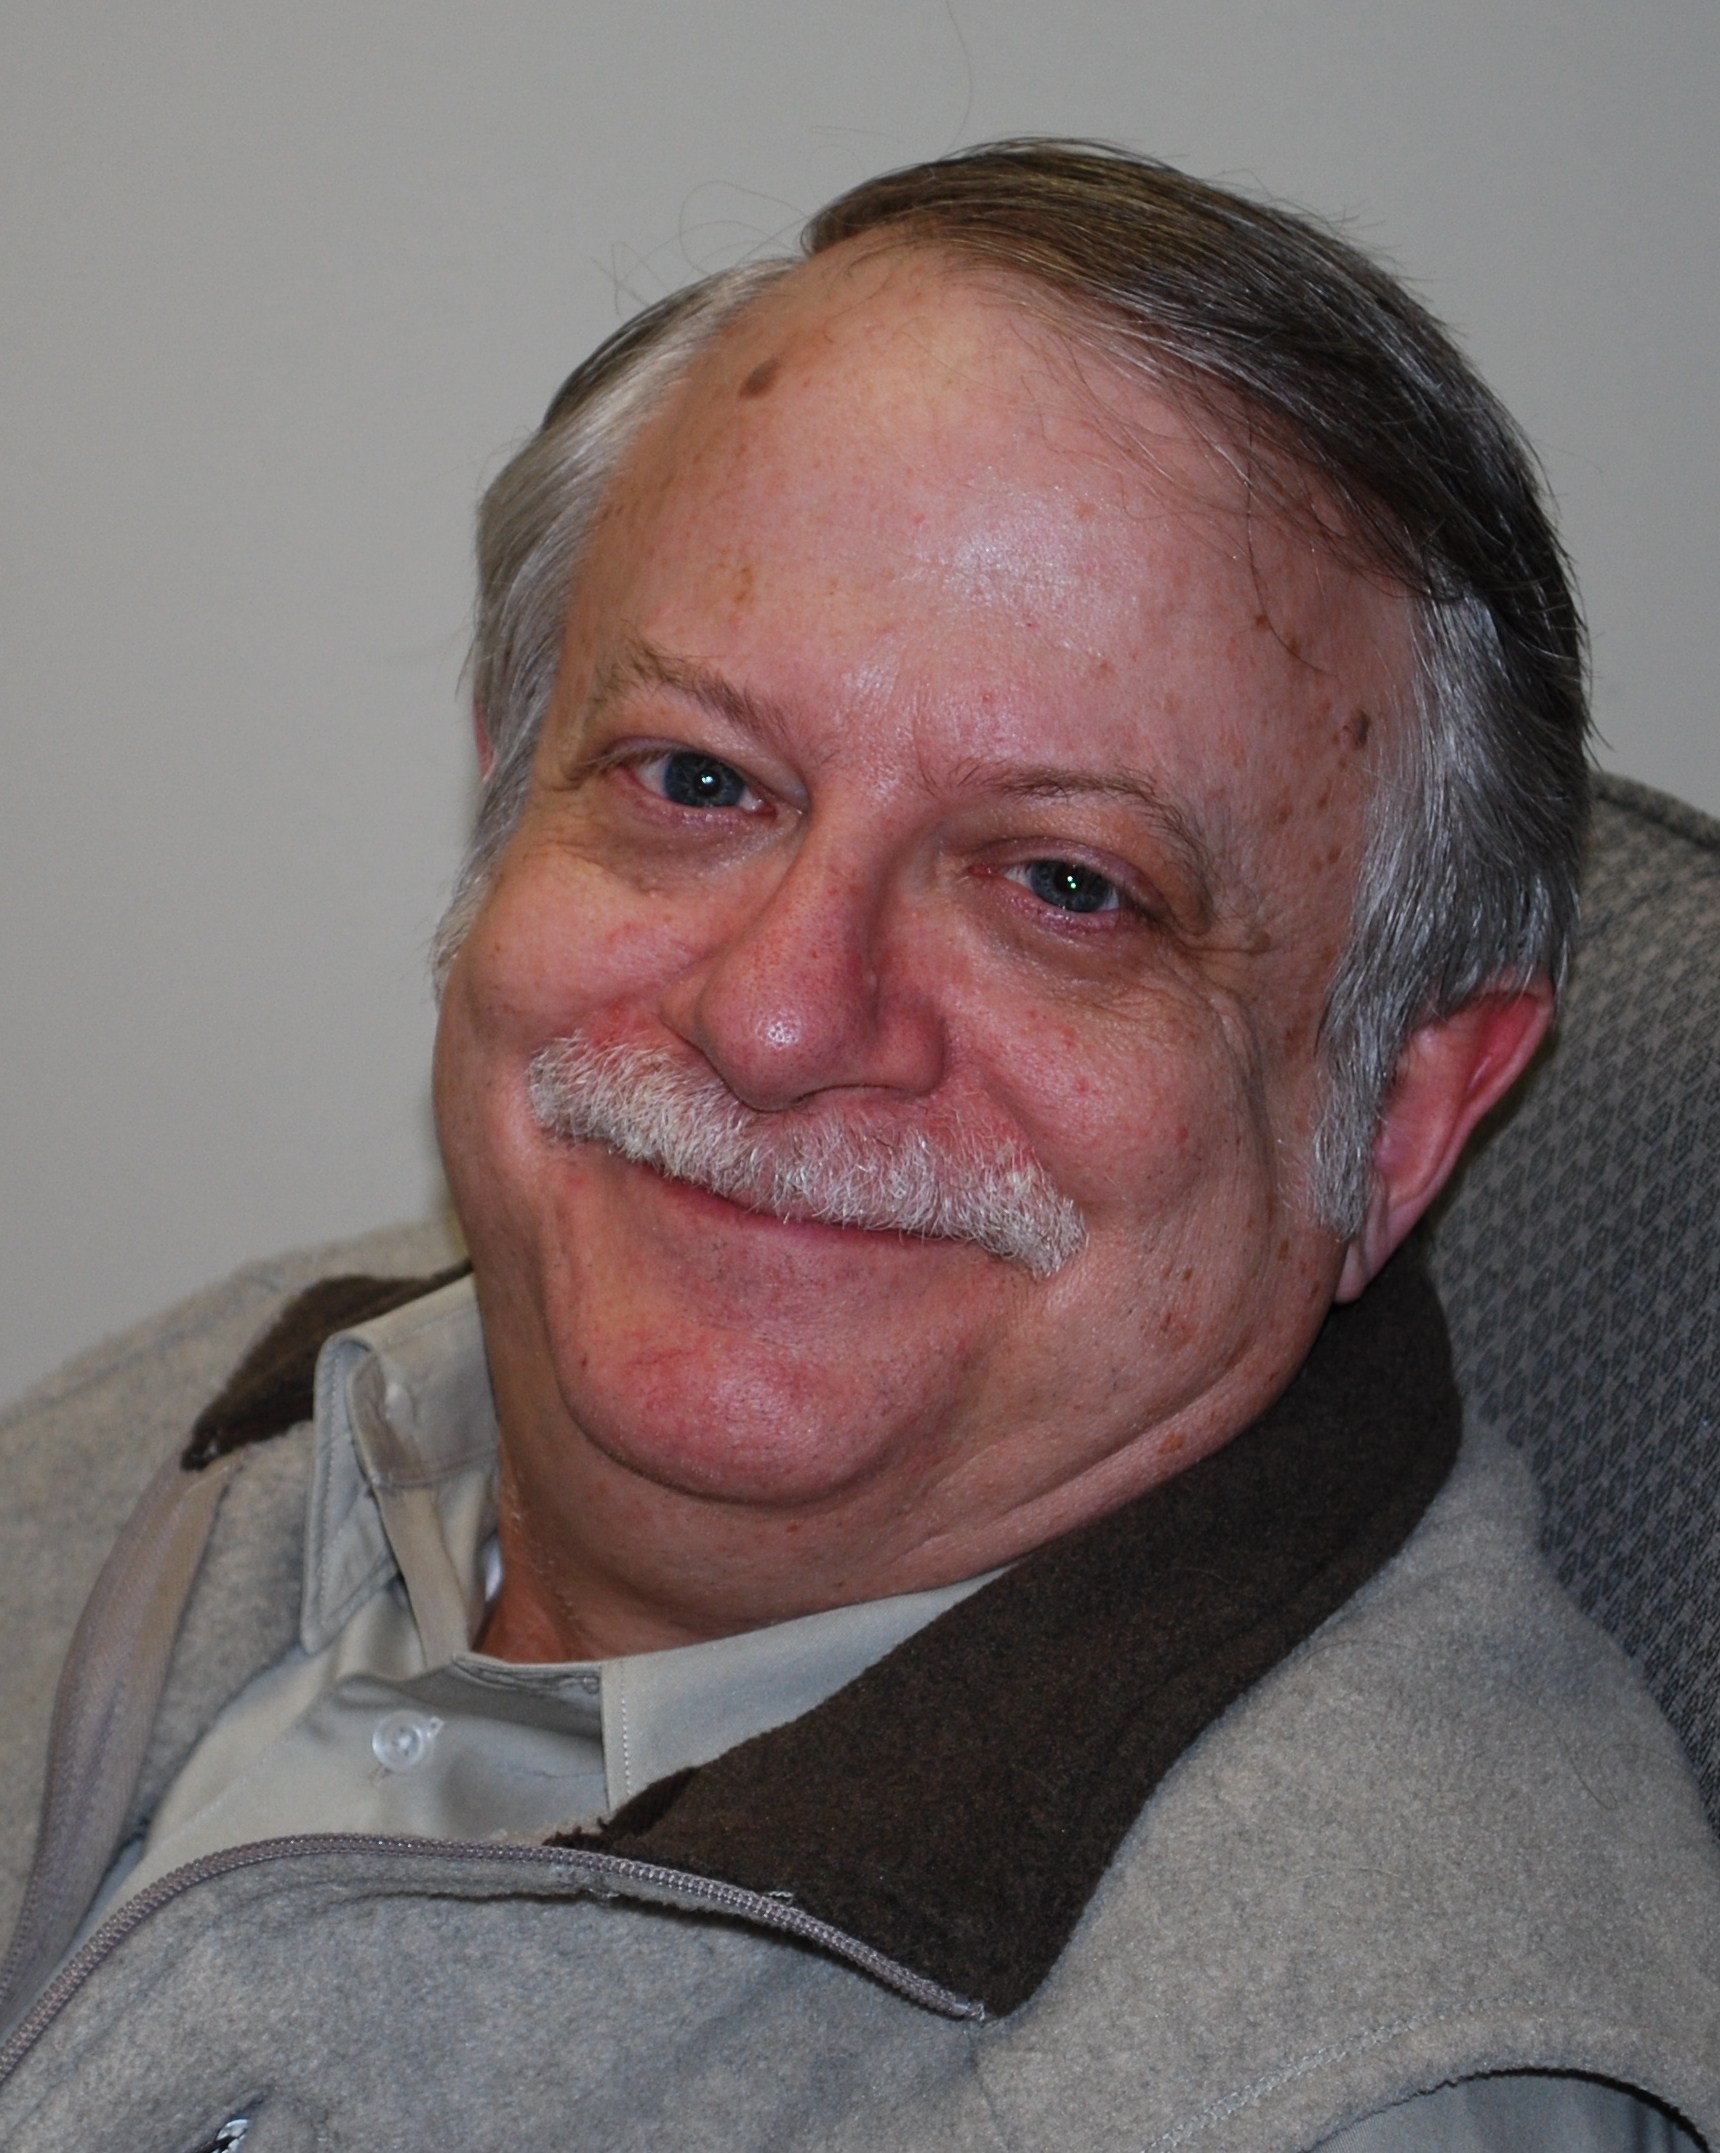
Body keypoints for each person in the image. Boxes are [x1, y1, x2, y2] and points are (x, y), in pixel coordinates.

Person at [0, 141, 1715, 2150]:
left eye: (1066, 886)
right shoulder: (239, 1408)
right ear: (510, 797)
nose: (781, 1016)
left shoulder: (1355, 2084)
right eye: (697, 777)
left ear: (1402, 1108)